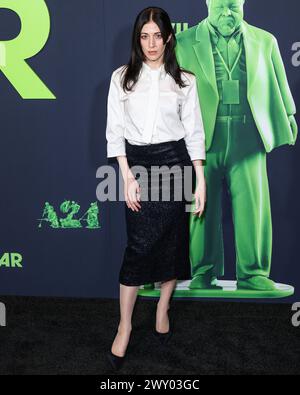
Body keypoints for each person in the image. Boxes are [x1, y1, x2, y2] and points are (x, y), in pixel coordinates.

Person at [105, 7, 206, 370]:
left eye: (157, 36)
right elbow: (114, 132)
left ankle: (163, 306)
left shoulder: (185, 81)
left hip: (176, 161)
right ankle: (125, 325)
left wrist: (201, 178)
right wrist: (126, 176)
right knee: (138, 246)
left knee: (173, 242)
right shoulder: (122, 79)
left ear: (168, 38)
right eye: (144, 36)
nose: (151, 43)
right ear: (138, 38)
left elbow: (194, 132)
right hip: (138, 166)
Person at [175, 0, 298, 291]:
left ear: (243, 4)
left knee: (253, 204)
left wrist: (290, 115)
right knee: (201, 207)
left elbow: (279, 83)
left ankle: (253, 272)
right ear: (207, 5)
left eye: (233, 6)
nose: (227, 13)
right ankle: (203, 271)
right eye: (220, 7)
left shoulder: (265, 41)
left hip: (248, 135)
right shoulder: (182, 42)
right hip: (203, 136)